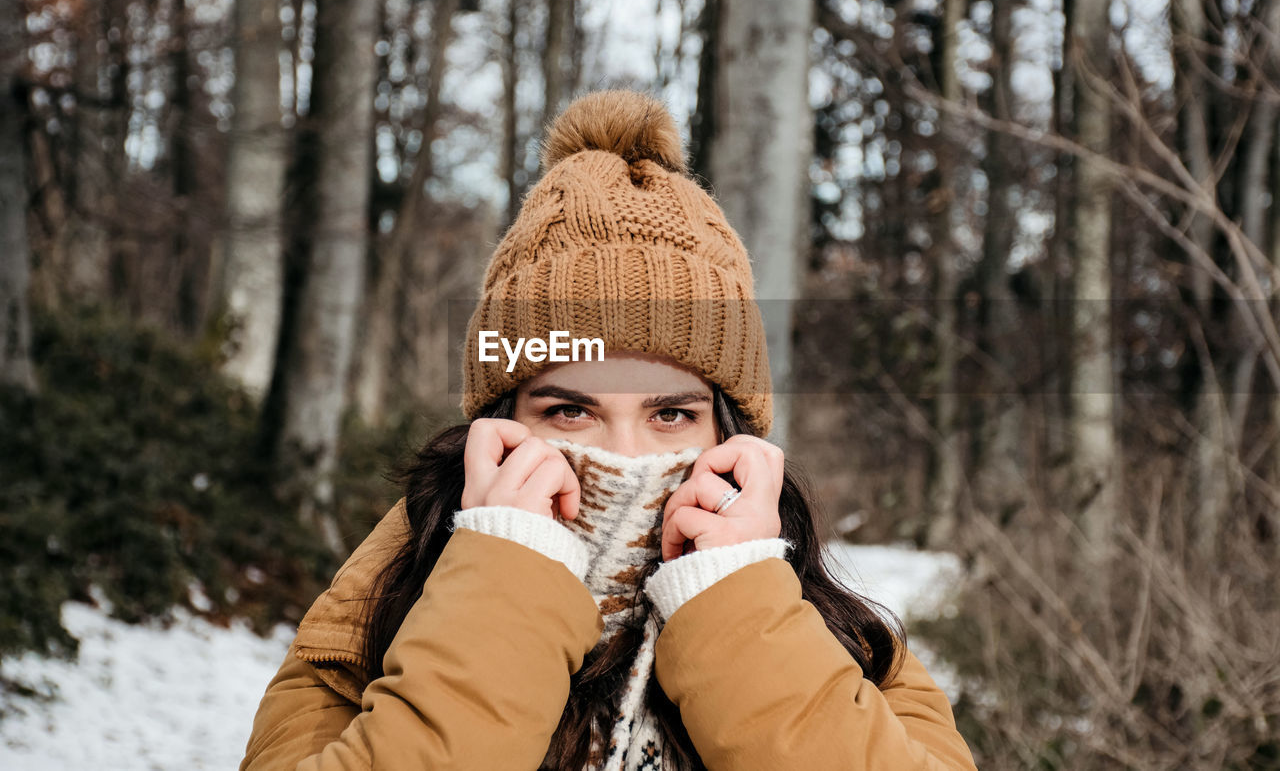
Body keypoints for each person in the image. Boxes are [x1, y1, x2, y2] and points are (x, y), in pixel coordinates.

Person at [239, 90, 979, 771]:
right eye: (570, 411)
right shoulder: (371, 618)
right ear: (499, 427)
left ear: (731, 437)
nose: (625, 458)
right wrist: (501, 589)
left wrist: (737, 607)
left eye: (671, 415)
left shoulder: (843, 643)